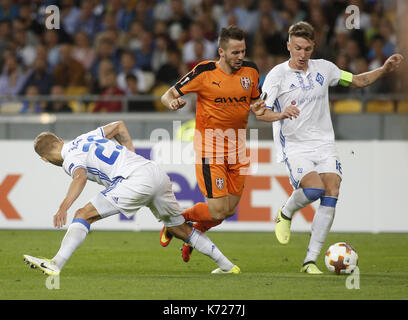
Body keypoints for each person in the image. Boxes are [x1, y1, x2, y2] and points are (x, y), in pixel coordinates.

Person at [253, 21, 403, 274]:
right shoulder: (276, 76)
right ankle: (285, 212)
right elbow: (261, 113)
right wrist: (280, 114)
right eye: (298, 48)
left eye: (308, 49)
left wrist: (385, 69)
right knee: (314, 190)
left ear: (314, 47)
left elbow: (357, 80)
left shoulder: (325, 68)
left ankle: (310, 261)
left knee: (332, 190)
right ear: (288, 45)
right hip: (295, 145)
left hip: (324, 143)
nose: (302, 55)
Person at [23, 121, 240, 276]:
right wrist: (133, 155)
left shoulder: (70, 158)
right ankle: (228, 265)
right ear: (60, 140)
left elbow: (79, 177)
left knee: (82, 215)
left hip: (134, 180)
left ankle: (56, 264)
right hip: (153, 171)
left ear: (44, 159)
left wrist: (63, 207)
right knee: (179, 229)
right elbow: (119, 126)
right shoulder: (85, 138)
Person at [159, 25, 261, 262]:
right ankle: (175, 221)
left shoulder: (251, 71)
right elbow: (167, 95)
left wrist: (269, 110)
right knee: (216, 209)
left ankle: (192, 232)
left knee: (227, 211)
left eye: (243, 51)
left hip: (239, 149)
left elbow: (257, 103)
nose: (240, 57)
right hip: (210, 149)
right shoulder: (204, 71)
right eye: (235, 52)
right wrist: (172, 103)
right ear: (221, 51)